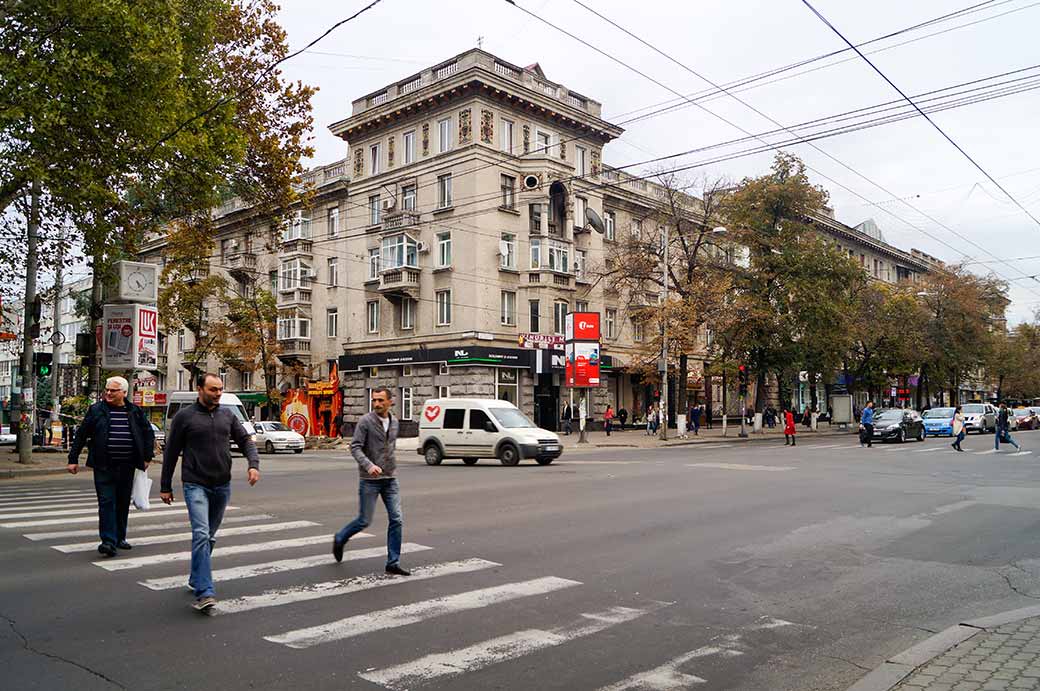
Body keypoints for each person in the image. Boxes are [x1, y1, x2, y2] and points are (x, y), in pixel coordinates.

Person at [160, 372, 260, 612]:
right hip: (195, 483)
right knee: (202, 534)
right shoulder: (184, 417)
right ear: (200, 389)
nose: (218, 394)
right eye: (213, 390)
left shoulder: (227, 415)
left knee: (209, 536)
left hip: (221, 485)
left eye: (220, 389)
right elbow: (171, 453)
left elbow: (246, 440)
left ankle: (196, 577)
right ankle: (205, 591)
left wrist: (253, 464)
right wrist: (165, 486)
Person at [67, 376, 155, 558]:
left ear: (123, 392)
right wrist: (73, 458)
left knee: (122, 502)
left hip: (127, 465)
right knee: (106, 502)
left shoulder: (134, 411)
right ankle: (108, 541)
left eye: (113, 390)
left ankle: (120, 537)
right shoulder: (96, 410)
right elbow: (82, 434)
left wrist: (147, 457)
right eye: (106, 389)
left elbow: (147, 434)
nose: (108, 393)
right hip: (103, 465)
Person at [333, 387, 410, 577]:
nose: (376, 403)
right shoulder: (365, 421)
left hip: (390, 478)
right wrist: (369, 465)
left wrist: (391, 465)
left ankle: (393, 562)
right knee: (364, 520)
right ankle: (340, 538)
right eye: (374, 400)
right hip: (370, 479)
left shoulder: (394, 422)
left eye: (380, 400)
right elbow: (355, 447)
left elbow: (389, 446)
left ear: (390, 402)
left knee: (397, 519)